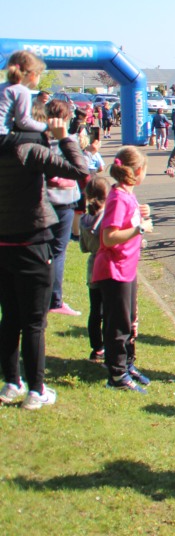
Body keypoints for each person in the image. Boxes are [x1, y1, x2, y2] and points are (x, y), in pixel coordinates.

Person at [0, 103, 89, 410]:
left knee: (10, 316)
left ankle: (12, 382)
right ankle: (36, 390)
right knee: (34, 322)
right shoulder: (31, 151)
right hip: (32, 242)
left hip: (3, 243)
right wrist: (65, 139)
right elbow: (80, 171)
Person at [93, 147, 154, 393]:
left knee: (129, 321)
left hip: (127, 267)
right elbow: (109, 237)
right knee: (117, 324)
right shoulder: (118, 197)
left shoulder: (128, 195)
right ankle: (116, 375)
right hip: (114, 269)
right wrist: (140, 228)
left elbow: (127, 219)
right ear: (137, 171)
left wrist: (140, 213)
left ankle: (127, 364)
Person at [43, 100, 82, 316]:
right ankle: (55, 300)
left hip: (43, 200)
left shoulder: (39, 139)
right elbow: (81, 168)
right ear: (66, 118)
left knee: (43, 250)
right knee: (58, 252)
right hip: (64, 200)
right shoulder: (67, 141)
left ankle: (42, 294)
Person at [78, 175, 111, 364]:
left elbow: (83, 247)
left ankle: (96, 348)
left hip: (92, 268)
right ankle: (108, 346)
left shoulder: (84, 219)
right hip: (107, 267)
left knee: (95, 311)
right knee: (109, 312)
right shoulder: (107, 218)